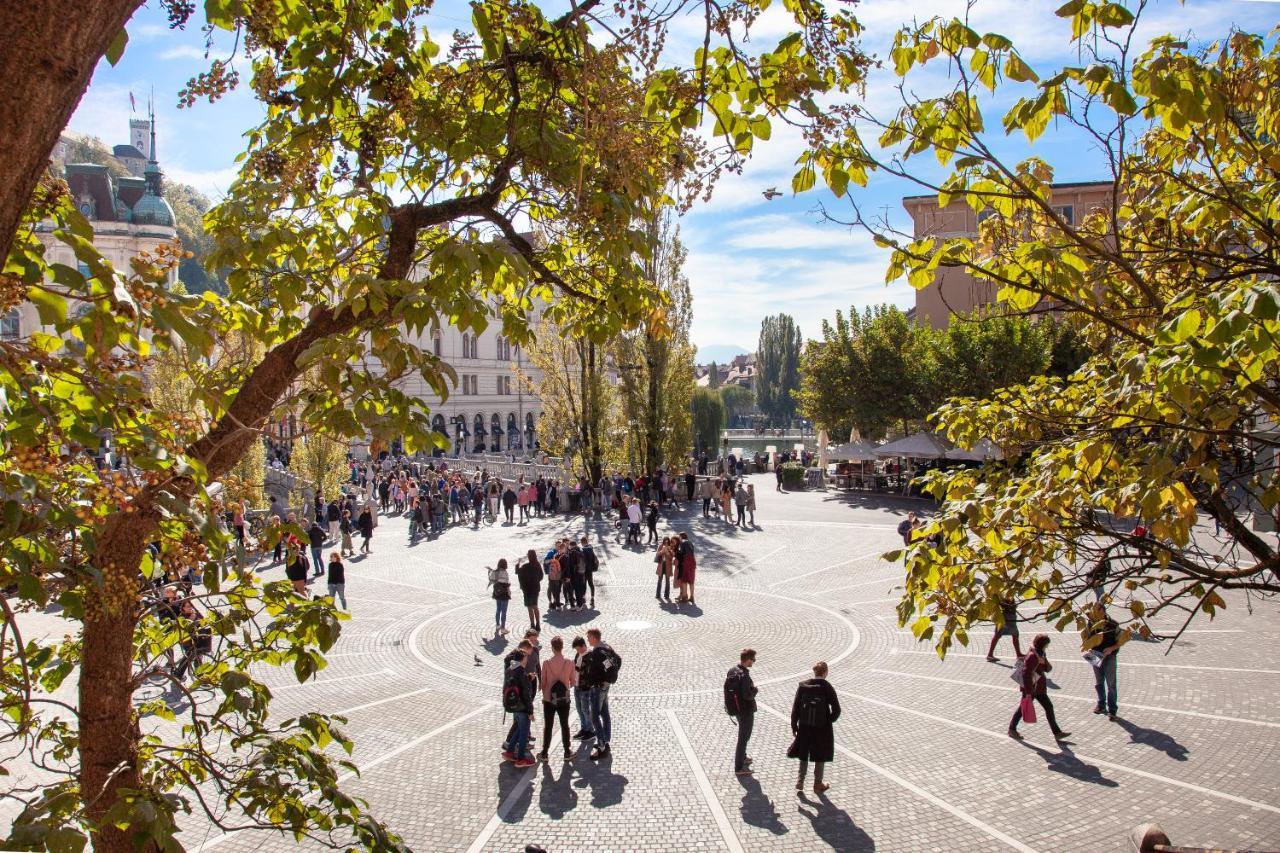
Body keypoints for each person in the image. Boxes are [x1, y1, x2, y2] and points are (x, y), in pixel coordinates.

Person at [788, 661, 840, 794]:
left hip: (805, 725)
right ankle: (818, 784)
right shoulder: (827, 687)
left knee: (803, 752)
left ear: (815, 672)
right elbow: (837, 709)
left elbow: (796, 707)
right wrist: (829, 720)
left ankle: (800, 780)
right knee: (820, 755)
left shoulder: (804, 685)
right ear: (825, 673)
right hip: (822, 727)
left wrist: (794, 724)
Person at [1008, 634, 1071, 741]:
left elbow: (1048, 669)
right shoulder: (1032, 656)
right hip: (1032, 688)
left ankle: (1057, 733)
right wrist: (1028, 692)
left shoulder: (1040, 654)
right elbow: (1026, 674)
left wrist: (1044, 661)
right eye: (1046, 645)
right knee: (1022, 709)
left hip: (1039, 688)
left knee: (1048, 707)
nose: (1047, 647)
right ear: (1043, 644)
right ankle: (1012, 729)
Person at [582, 628, 620, 760]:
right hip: (605, 686)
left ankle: (602, 745)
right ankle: (606, 739)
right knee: (604, 713)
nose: (587, 639)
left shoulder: (597, 652)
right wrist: (609, 678)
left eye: (588, 637)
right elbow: (618, 660)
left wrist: (590, 682)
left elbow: (592, 672)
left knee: (594, 716)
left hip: (597, 688)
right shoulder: (606, 647)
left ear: (593, 637)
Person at [500, 640, 538, 769]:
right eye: (526, 658)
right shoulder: (521, 673)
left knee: (517, 729)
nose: (527, 661)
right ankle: (521, 759)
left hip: (513, 705)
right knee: (523, 732)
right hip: (522, 707)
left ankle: (510, 751)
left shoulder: (510, 669)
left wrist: (527, 678)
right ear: (522, 659)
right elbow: (526, 695)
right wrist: (530, 712)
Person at [539, 636, 576, 761]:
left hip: (549, 699)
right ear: (562, 647)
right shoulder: (569, 662)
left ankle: (544, 753)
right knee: (564, 724)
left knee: (548, 726)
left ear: (552, 648)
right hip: (563, 699)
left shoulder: (546, 663)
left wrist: (544, 692)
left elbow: (543, 683)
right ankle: (567, 752)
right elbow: (573, 681)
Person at [725, 648, 758, 775]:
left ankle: (743, 757)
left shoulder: (732, 670)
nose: (754, 662)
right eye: (753, 660)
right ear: (748, 660)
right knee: (744, 737)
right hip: (745, 711)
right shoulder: (744, 675)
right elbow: (747, 695)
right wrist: (755, 690)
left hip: (736, 709)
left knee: (743, 735)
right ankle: (739, 767)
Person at [1087, 606, 1123, 721]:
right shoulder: (1090, 623)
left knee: (1111, 684)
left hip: (1110, 656)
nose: (1096, 615)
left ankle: (1112, 709)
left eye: (1099, 612)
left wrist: (1111, 649)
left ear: (1104, 611)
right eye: (1094, 612)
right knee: (1098, 682)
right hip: (1095, 654)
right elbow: (1086, 638)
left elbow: (1121, 641)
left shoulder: (1113, 624)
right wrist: (1087, 646)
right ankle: (1101, 704)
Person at [570, 636, 594, 743]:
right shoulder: (578, 655)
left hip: (586, 687)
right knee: (579, 708)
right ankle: (584, 728)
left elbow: (588, 672)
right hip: (577, 685)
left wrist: (576, 668)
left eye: (578, 648)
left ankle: (590, 730)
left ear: (584, 645)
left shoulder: (590, 656)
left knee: (585, 709)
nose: (577, 651)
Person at [517, 550, 543, 631]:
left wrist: (518, 564)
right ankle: (538, 624)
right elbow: (541, 576)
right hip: (535, 589)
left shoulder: (525, 566)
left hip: (527, 590)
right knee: (535, 606)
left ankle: (532, 625)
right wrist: (536, 580)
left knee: (530, 607)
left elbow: (518, 572)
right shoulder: (537, 565)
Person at [488, 559, 512, 637]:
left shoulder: (495, 571)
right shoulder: (505, 572)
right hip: (504, 594)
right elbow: (506, 583)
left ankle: (497, 625)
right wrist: (509, 591)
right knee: (504, 611)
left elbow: (492, 580)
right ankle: (503, 628)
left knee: (498, 609)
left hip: (497, 593)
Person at [678, 532, 697, 605]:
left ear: (681, 537)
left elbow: (682, 554)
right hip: (692, 561)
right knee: (691, 581)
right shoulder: (690, 542)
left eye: (679, 537)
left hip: (686, 562)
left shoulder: (682, 543)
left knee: (684, 580)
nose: (679, 538)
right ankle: (692, 596)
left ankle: (684, 597)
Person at [581, 537, 598, 609]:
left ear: (582, 542)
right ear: (587, 542)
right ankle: (592, 598)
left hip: (584, 570)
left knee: (584, 584)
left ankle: (583, 597)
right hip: (590, 569)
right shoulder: (591, 549)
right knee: (591, 584)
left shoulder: (583, 550)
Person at [655, 537, 673, 602]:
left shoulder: (670, 547)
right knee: (659, 580)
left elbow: (672, 557)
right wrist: (662, 551)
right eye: (665, 541)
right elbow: (657, 554)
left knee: (667, 581)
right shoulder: (661, 546)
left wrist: (668, 553)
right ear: (663, 541)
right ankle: (657, 594)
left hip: (668, 566)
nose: (666, 542)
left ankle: (667, 595)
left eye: (667, 541)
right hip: (661, 566)